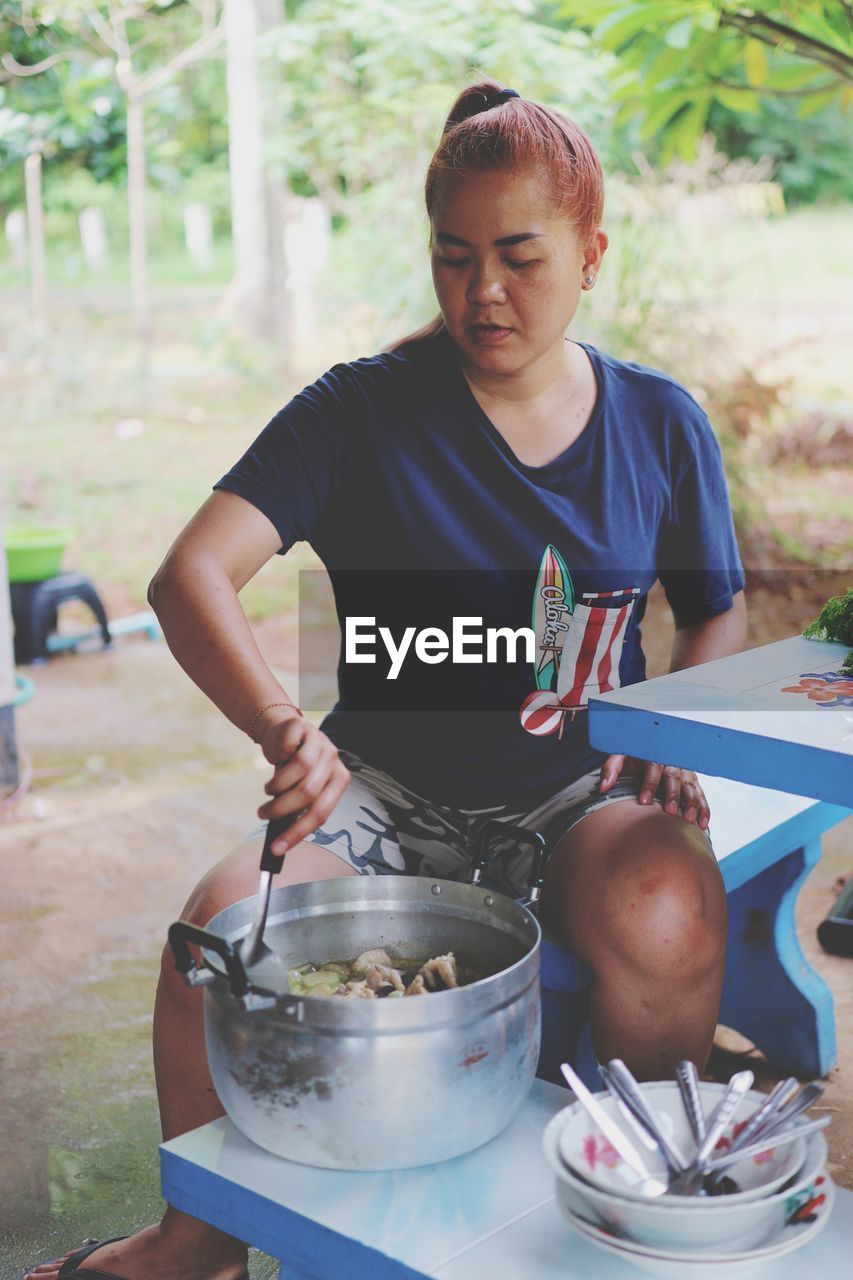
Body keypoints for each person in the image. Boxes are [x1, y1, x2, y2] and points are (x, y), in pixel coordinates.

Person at [29, 80, 746, 1280]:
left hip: (576, 791)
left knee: (669, 896)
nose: (483, 293)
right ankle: (194, 1240)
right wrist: (281, 728)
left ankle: (628, 1215)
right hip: (384, 793)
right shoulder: (360, 411)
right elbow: (190, 573)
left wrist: (672, 719)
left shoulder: (659, 422)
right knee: (219, 932)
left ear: (592, 254)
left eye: (520, 256)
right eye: (453, 256)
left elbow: (716, 605)